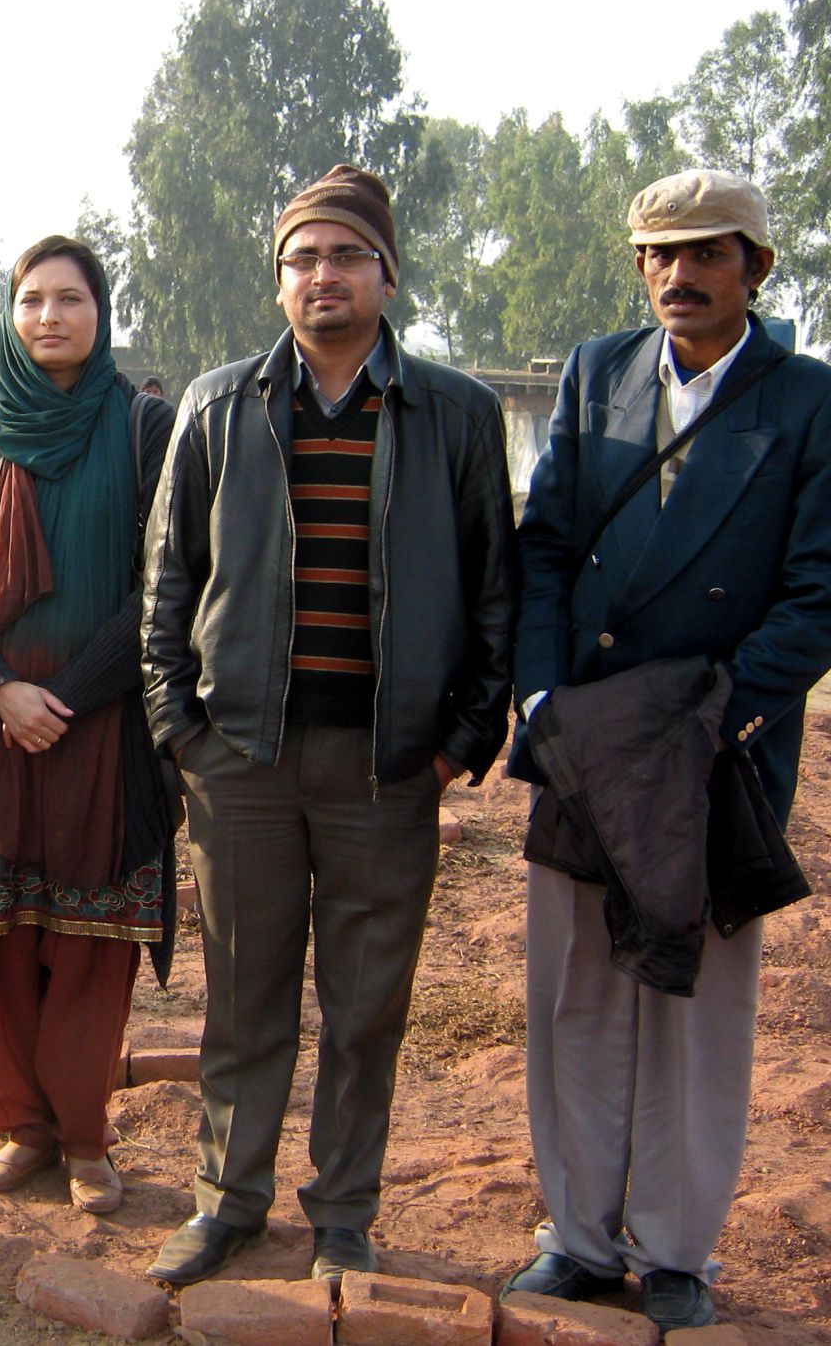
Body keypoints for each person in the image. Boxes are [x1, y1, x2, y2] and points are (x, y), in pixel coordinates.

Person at [140, 165, 515, 1287]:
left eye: (344, 256)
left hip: (384, 765)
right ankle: (226, 1201)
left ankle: (342, 1212)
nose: (321, 277)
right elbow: (165, 583)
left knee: (363, 1009)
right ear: (277, 282)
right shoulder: (217, 407)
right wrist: (179, 727)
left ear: (386, 275)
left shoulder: (451, 411)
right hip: (240, 760)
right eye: (300, 259)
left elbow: (495, 587)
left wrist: (460, 738)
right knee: (243, 998)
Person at [499, 169, 831, 1331]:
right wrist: (539, 696)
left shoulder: (805, 402)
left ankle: (678, 1249)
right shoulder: (597, 373)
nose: (678, 276)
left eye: (705, 253)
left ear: (754, 268)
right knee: (575, 995)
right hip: (585, 740)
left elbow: (815, 592)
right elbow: (541, 547)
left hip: (712, 757)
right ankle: (581, 1237)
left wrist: (715, 720)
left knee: (693, 1008)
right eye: (658, 254)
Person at [0, 236, 176, 1215]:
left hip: (105, 726)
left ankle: (86, 1139)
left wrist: (73, 693)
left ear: (99, 314)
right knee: (4, 934)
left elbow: (161, 585)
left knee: (96, 943)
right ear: (8, 317)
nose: (49, 316)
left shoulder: (145, 427)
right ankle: (22, 1132)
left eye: (69, 299)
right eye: (30, 301)